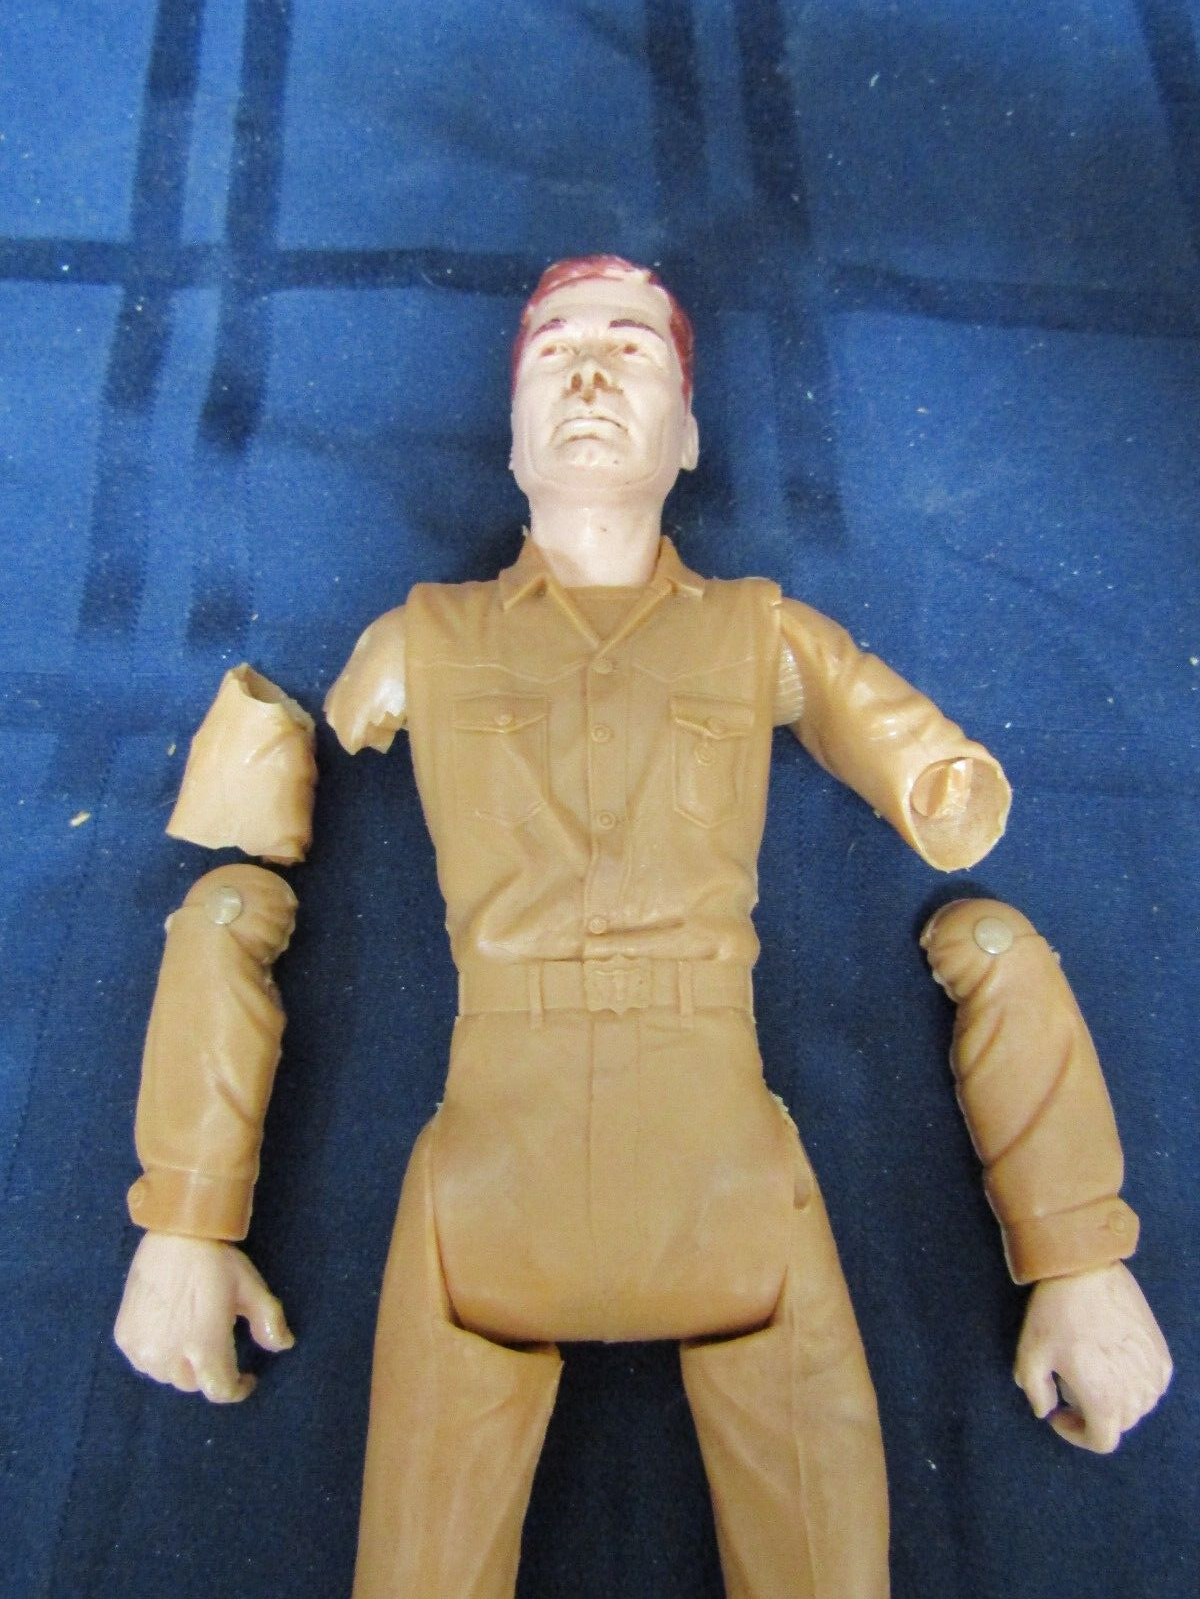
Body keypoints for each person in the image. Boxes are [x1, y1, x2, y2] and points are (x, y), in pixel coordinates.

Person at [115, 257, 1170, 1599]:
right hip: (495, 1189)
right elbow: (233, 887)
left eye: (635, 347)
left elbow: (945, 797)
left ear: (690, 435)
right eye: (554, 347)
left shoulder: (759, 634)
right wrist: (185, 1222)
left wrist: (1079, 1254)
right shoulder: (416, 642)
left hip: (720, 1179)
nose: (592, 370)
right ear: (509, 434)